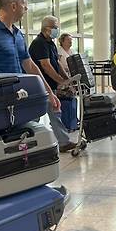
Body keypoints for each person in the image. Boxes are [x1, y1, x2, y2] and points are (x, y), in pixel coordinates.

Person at [0, 0, 69, 150]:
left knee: (23, 144)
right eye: (24, 4)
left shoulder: (17, 34)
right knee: (3, 149)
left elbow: (30, 66)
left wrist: (49, 93)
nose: (26, 8)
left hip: (18, 101)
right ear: (13, 6)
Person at [28, 16, 76, 151]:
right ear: (47, 28)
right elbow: (46, 66)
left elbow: (57, 64)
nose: (57, 29)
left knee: (54, 113)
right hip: (40, 86)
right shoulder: (39, 43)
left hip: (49, 87)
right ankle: (28, 141)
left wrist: (67, 80)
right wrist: (61, 81)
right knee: (37, 116)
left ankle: (63, 142)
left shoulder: (50, 43)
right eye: (55, 27)